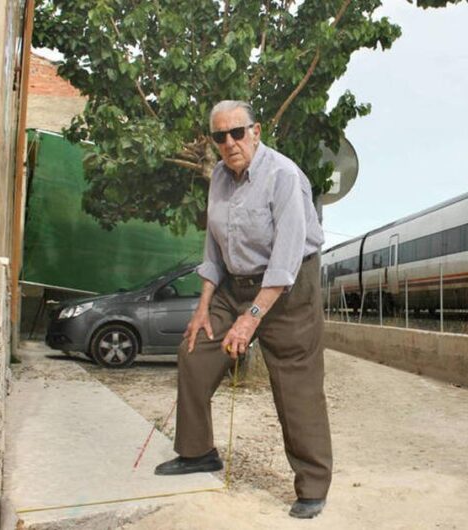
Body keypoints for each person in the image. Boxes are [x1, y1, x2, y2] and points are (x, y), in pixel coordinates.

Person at [154, 100, 332, 519]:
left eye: (237, 132)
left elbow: (286, 259)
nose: (230, 143)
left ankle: (313, 485)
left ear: (256, 130)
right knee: (195, 352)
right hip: (234, 284)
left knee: (295, 385)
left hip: (289, 290)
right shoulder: (218, 176)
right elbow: (213, 250)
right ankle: (198, 453)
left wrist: (250, 320)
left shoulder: (284, 176)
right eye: (220, 136)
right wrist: (203, 308)